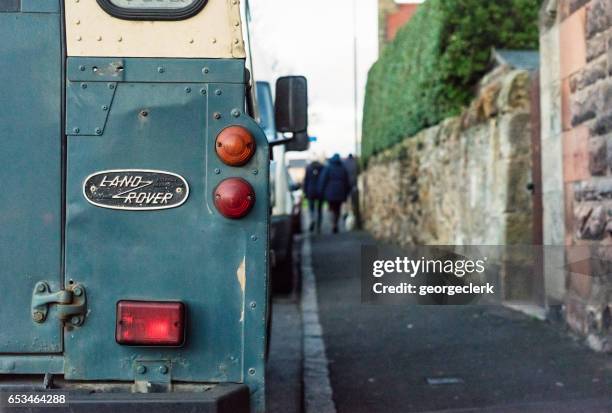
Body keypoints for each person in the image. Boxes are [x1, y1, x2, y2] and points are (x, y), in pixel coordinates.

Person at [318, 154, 351, 234]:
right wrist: (347, 192)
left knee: (331, 208)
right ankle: (335, 223)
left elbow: (323, 180)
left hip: (330, 193)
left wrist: (321, 191)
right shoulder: (343, 168)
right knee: (337, 209)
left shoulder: (328, 168)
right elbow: (347, 181)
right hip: (340, 192)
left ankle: (333, 224)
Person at [303, 159, 324, 233]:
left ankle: (312, 219)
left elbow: (305, 180)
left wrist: (305, 191)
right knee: (319, 210)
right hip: (320, 191)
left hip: (310, 191)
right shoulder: (322, 168)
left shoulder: (308, 168)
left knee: (311, 208)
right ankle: (319, 226)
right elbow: (324, 180)